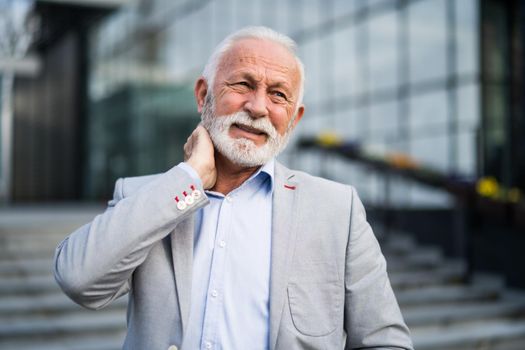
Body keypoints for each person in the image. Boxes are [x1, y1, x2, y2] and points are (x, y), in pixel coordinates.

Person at [54, 26, 413, 350]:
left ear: (294, 118)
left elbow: (385, 342)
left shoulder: (337, 209)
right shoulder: (146, 198)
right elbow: (78, 280)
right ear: (202, 95)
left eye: (277, 95)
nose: (258, 107)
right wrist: (189, 178)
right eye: (242, 84)